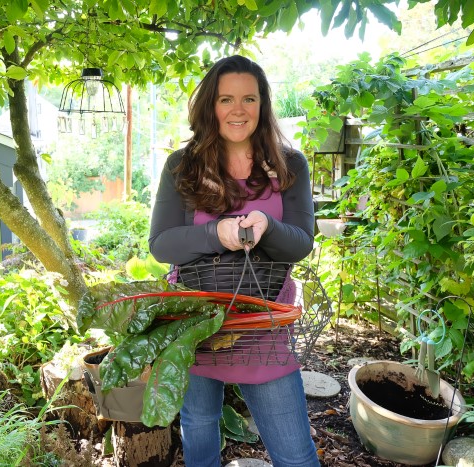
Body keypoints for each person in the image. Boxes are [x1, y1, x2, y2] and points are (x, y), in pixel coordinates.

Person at [149, 55, 318, 467]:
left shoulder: (288, 164)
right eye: (226, 99)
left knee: (295, 455)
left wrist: (267, 225)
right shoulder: (182, 165)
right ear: (211, 106)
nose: (238, 110)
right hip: (195, 323)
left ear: (263, 104)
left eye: (249, 98)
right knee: (199, 424)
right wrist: (216, 233)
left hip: (264, 322)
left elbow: (301, 244)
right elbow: (162, 245)